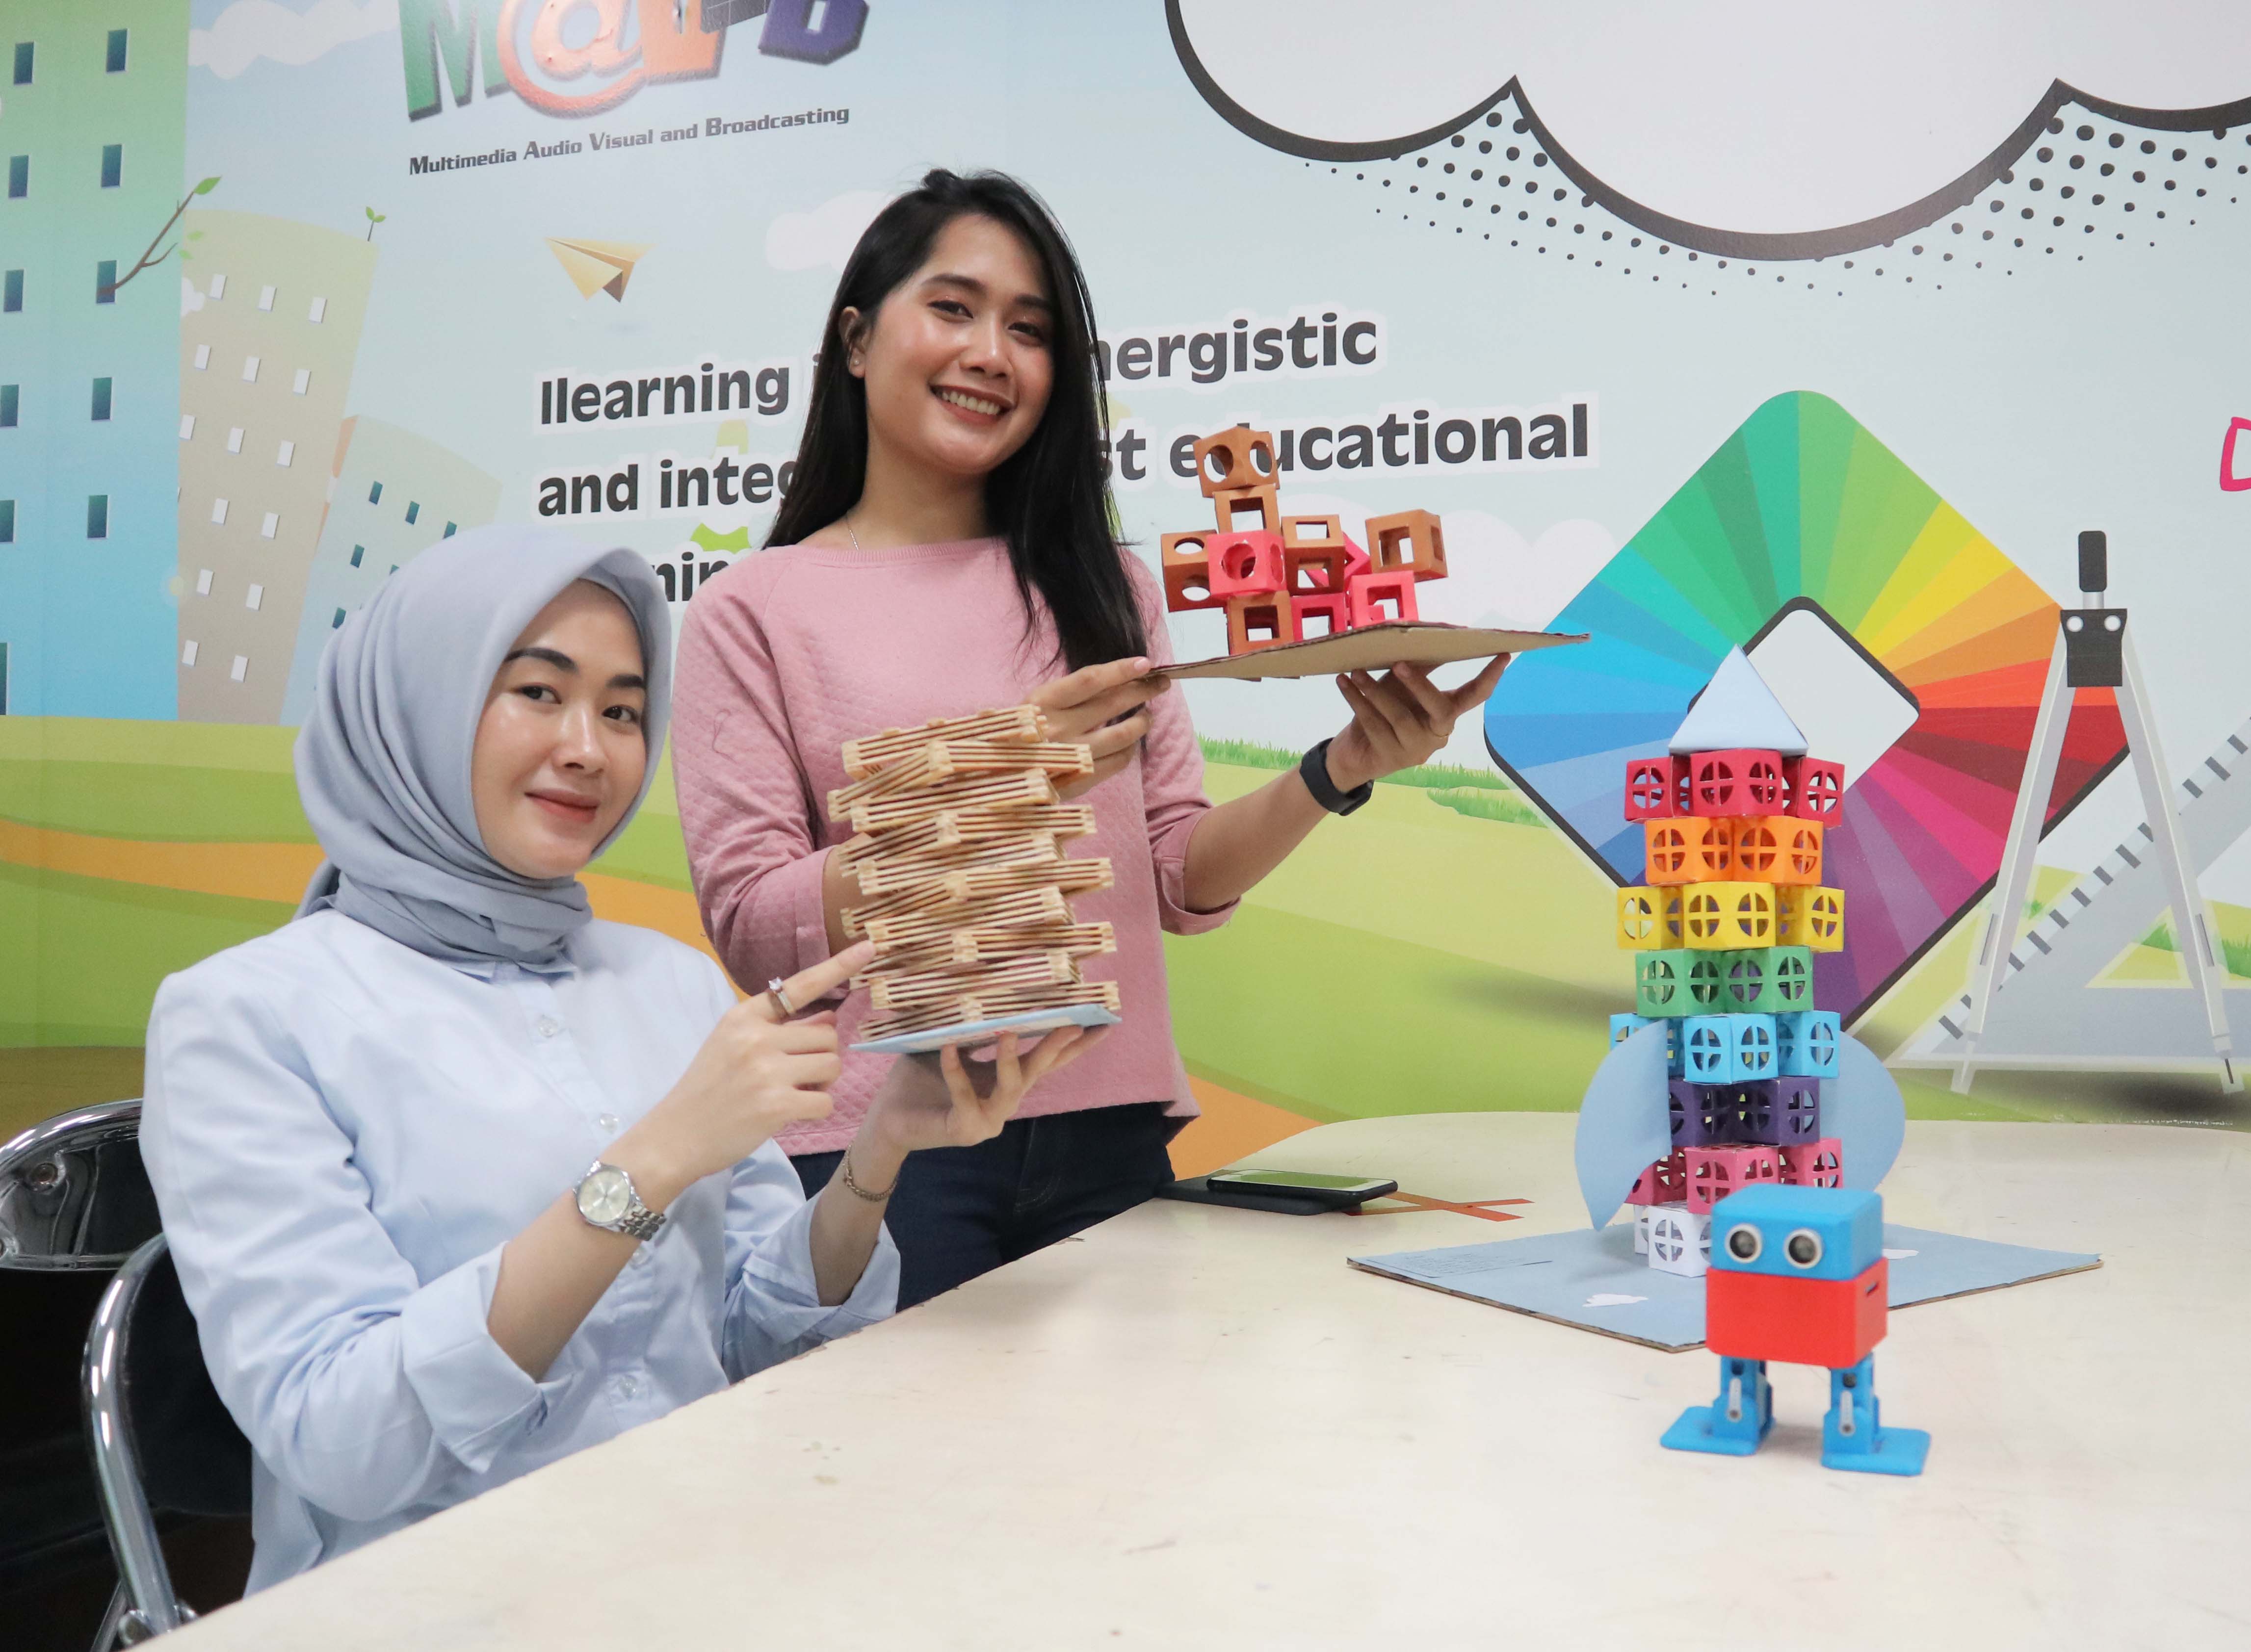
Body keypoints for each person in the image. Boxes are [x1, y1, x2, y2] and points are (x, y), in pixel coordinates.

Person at [140, 526, 1095, 1590]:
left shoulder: (667, 980)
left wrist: (879, 1151)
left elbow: (757, 1344)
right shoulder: (244, 1016)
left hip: (695, 1552)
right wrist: (651, 1163)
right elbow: (343, 1440)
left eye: (623, 711)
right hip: (436, 1595)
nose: (588, 749)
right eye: (538, 693)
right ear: (415, 704)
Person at [672, 169, 1507, 1309]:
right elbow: (755, 930)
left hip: (1109, 1127)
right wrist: (998, 777)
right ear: (856, 340)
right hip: (881, 1148)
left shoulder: (1103, 584)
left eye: (1030, 331)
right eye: (953, 308)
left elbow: (1174, 875)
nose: (991, 354)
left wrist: (1337, 772)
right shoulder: (751, 608)